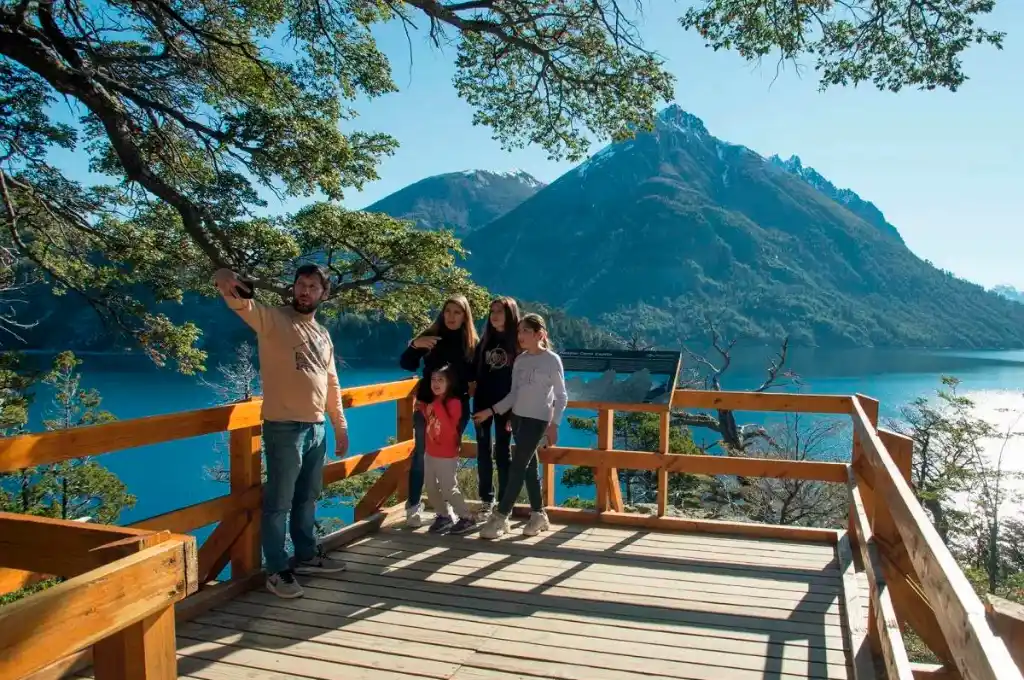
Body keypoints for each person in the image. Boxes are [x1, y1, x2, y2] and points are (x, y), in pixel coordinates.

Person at [214, 263, 349, 600]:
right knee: (279, 502)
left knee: (307, 497)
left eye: (313, 287)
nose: (305, 291)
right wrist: (223, 277)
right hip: (284, 427)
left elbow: (331, 382)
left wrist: (339, 425)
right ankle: (276, 570)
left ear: (324, 294)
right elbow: (241, 303)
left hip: (317, 427)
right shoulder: (273, 319)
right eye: (301, 284)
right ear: (294, 287)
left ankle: (305, 555)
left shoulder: (322, 334)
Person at [473, 313, 566, 540]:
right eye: (519, 331)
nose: (521, 335)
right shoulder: (521, 360)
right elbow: (513, 395)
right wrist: (491, 411)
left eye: (526, 331)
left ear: (540, 334)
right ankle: (538, 515)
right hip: (517, 420)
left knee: (517, 467)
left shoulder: (551, 360)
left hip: (538, 421)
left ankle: (501, 516)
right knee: (529, 468)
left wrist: (554, 425)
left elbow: (561, 396)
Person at [399, 295, 477, 527]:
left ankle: (448, 511)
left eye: (457, 312)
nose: (451, 316)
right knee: (421, 455)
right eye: (448, 311)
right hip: (426, 407)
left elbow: (477, 376)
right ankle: (414, 508)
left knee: (446, 457)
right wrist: (415, 345)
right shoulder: (431, 337)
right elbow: (406, 363)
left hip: (455, 410)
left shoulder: (471, 343)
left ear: (465, 316)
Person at [472, 296, 520, 522]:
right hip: (482, 402)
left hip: (506, 405)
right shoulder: (485, 341)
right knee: (483, 450)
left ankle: (504, 503)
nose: (495, 315)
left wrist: (513, 409)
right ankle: (486, 499)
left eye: (500, 311)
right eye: (492, 311)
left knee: (503, 451)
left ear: (510, 314)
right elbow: (474, 370)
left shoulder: (517, 343)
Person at [420, 365, 477, 534]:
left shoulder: (454, 403)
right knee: (430, 487)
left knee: (448, 488)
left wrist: (437, 405)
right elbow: (432, 423)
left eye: (441, 380)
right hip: (430, 452)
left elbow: (450, 428)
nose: (436, 383)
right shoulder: (432, 401)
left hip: (447, 454)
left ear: (449, 382)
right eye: (433, 379)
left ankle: (467, 518)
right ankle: (443, 516)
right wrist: (423, 409)